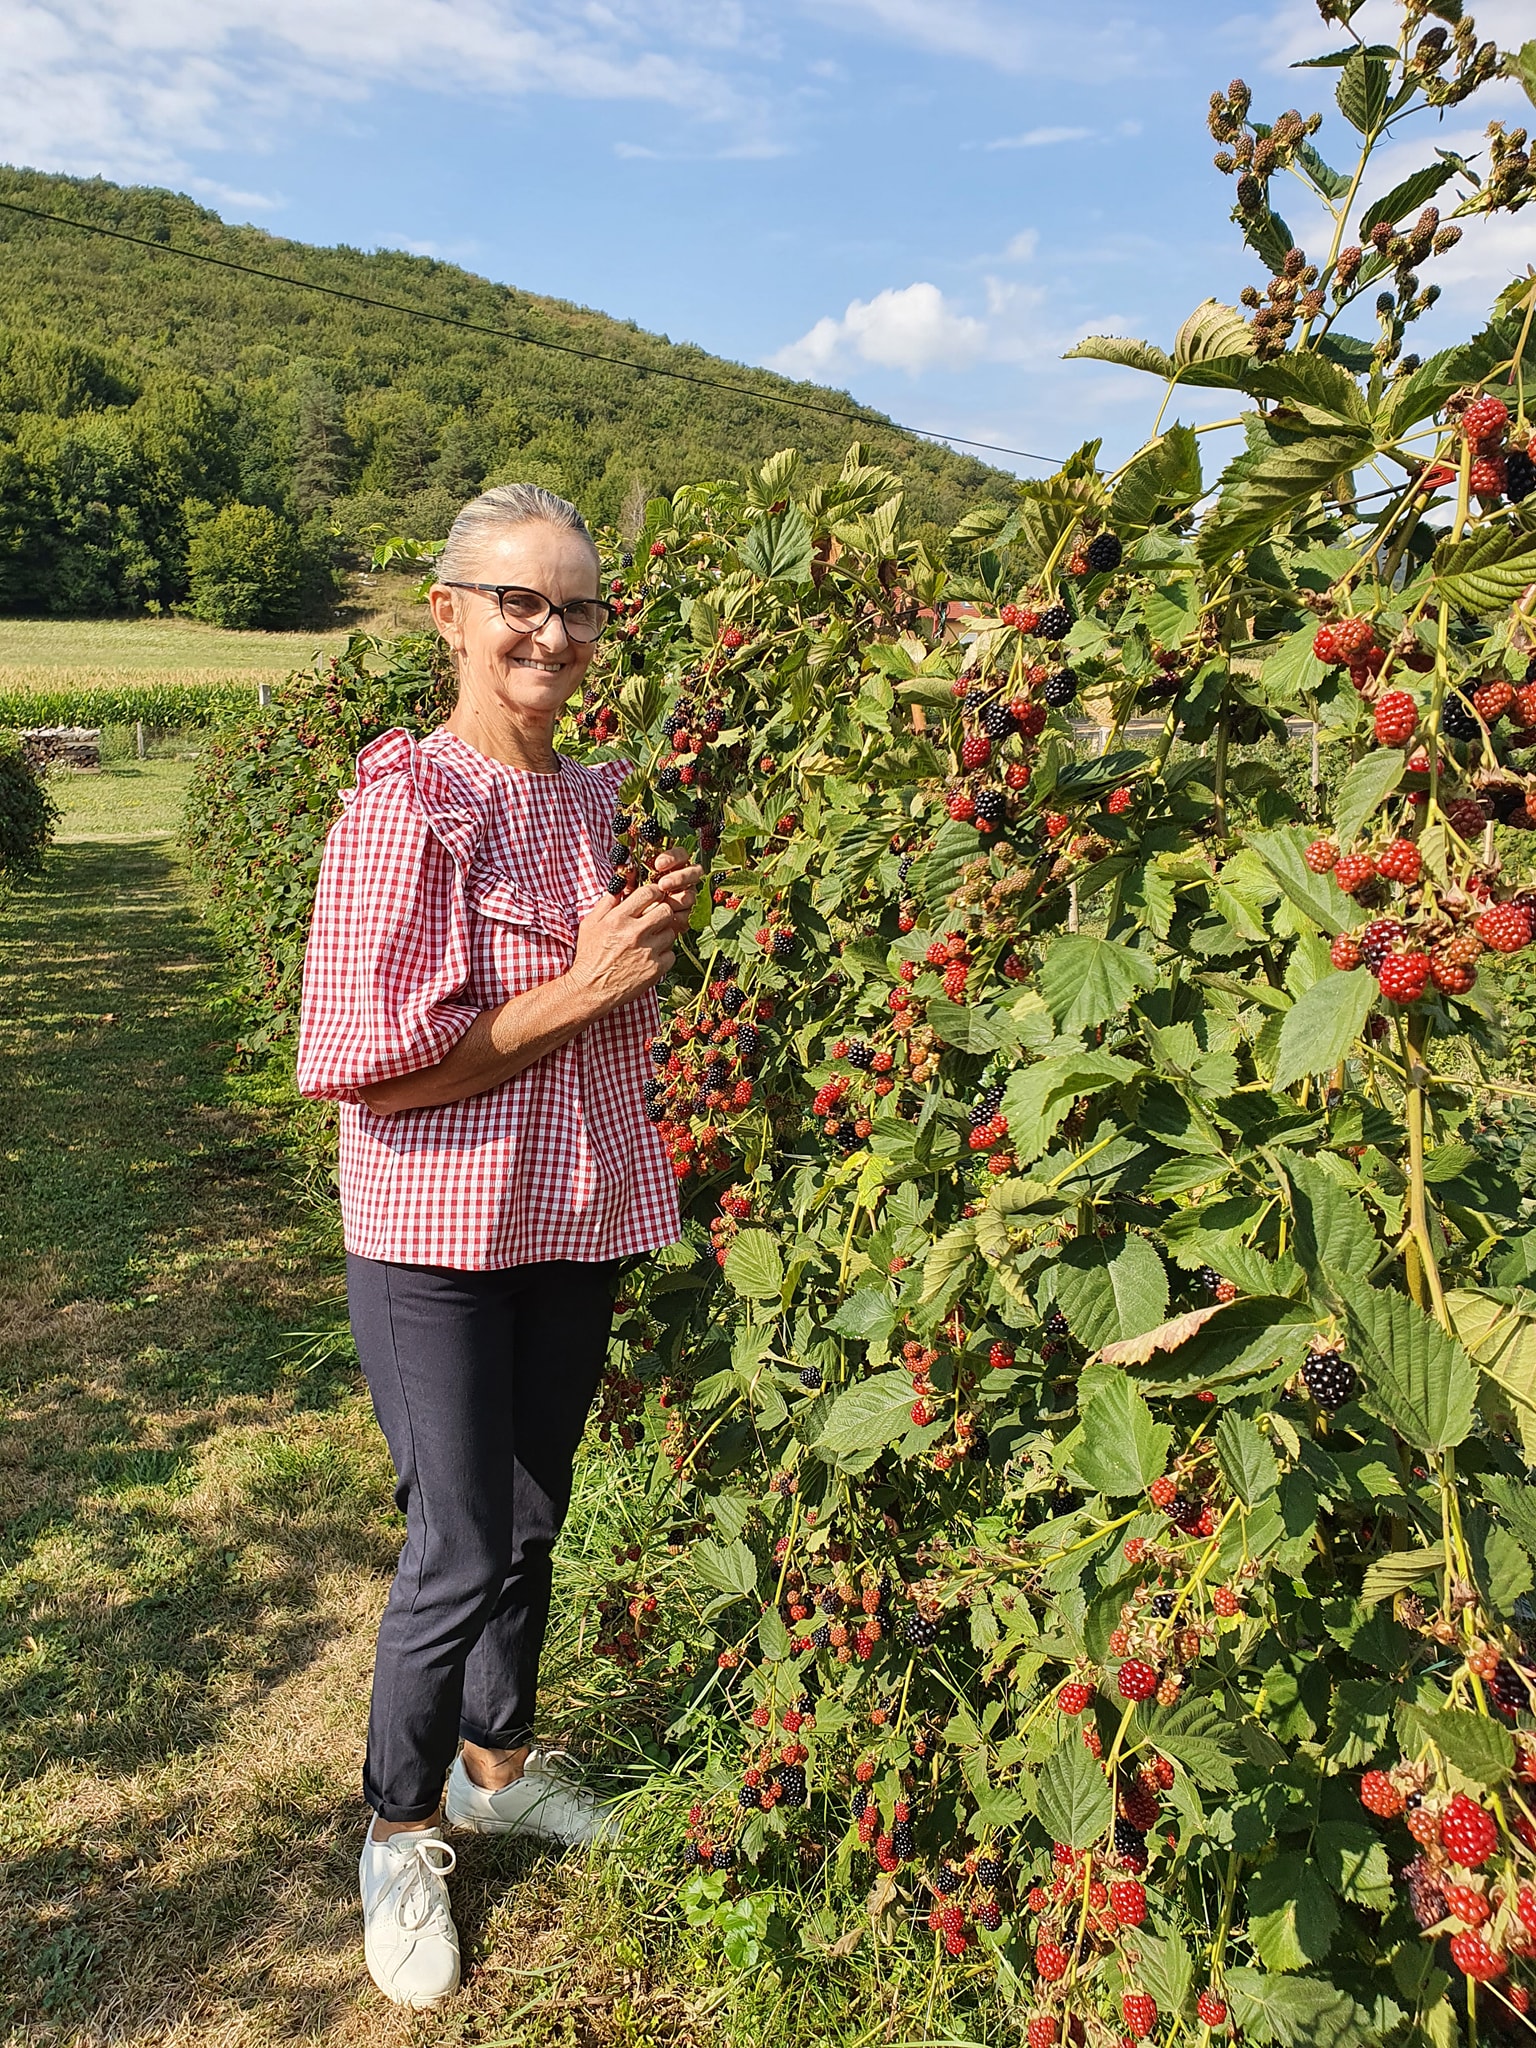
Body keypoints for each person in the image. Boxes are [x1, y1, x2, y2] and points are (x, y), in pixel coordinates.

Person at [295, 483, 698, 2009]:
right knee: (456, 1543)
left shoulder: (600, 802)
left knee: (531, 1516)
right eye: (521, 601)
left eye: (578, 607)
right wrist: (584, 989)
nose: (553, 632)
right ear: (450, 615)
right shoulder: (406, 810)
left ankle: (497, 1769)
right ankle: (400, 1832)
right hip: (435, 1232)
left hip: (568, 1214)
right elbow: (376, 1072)